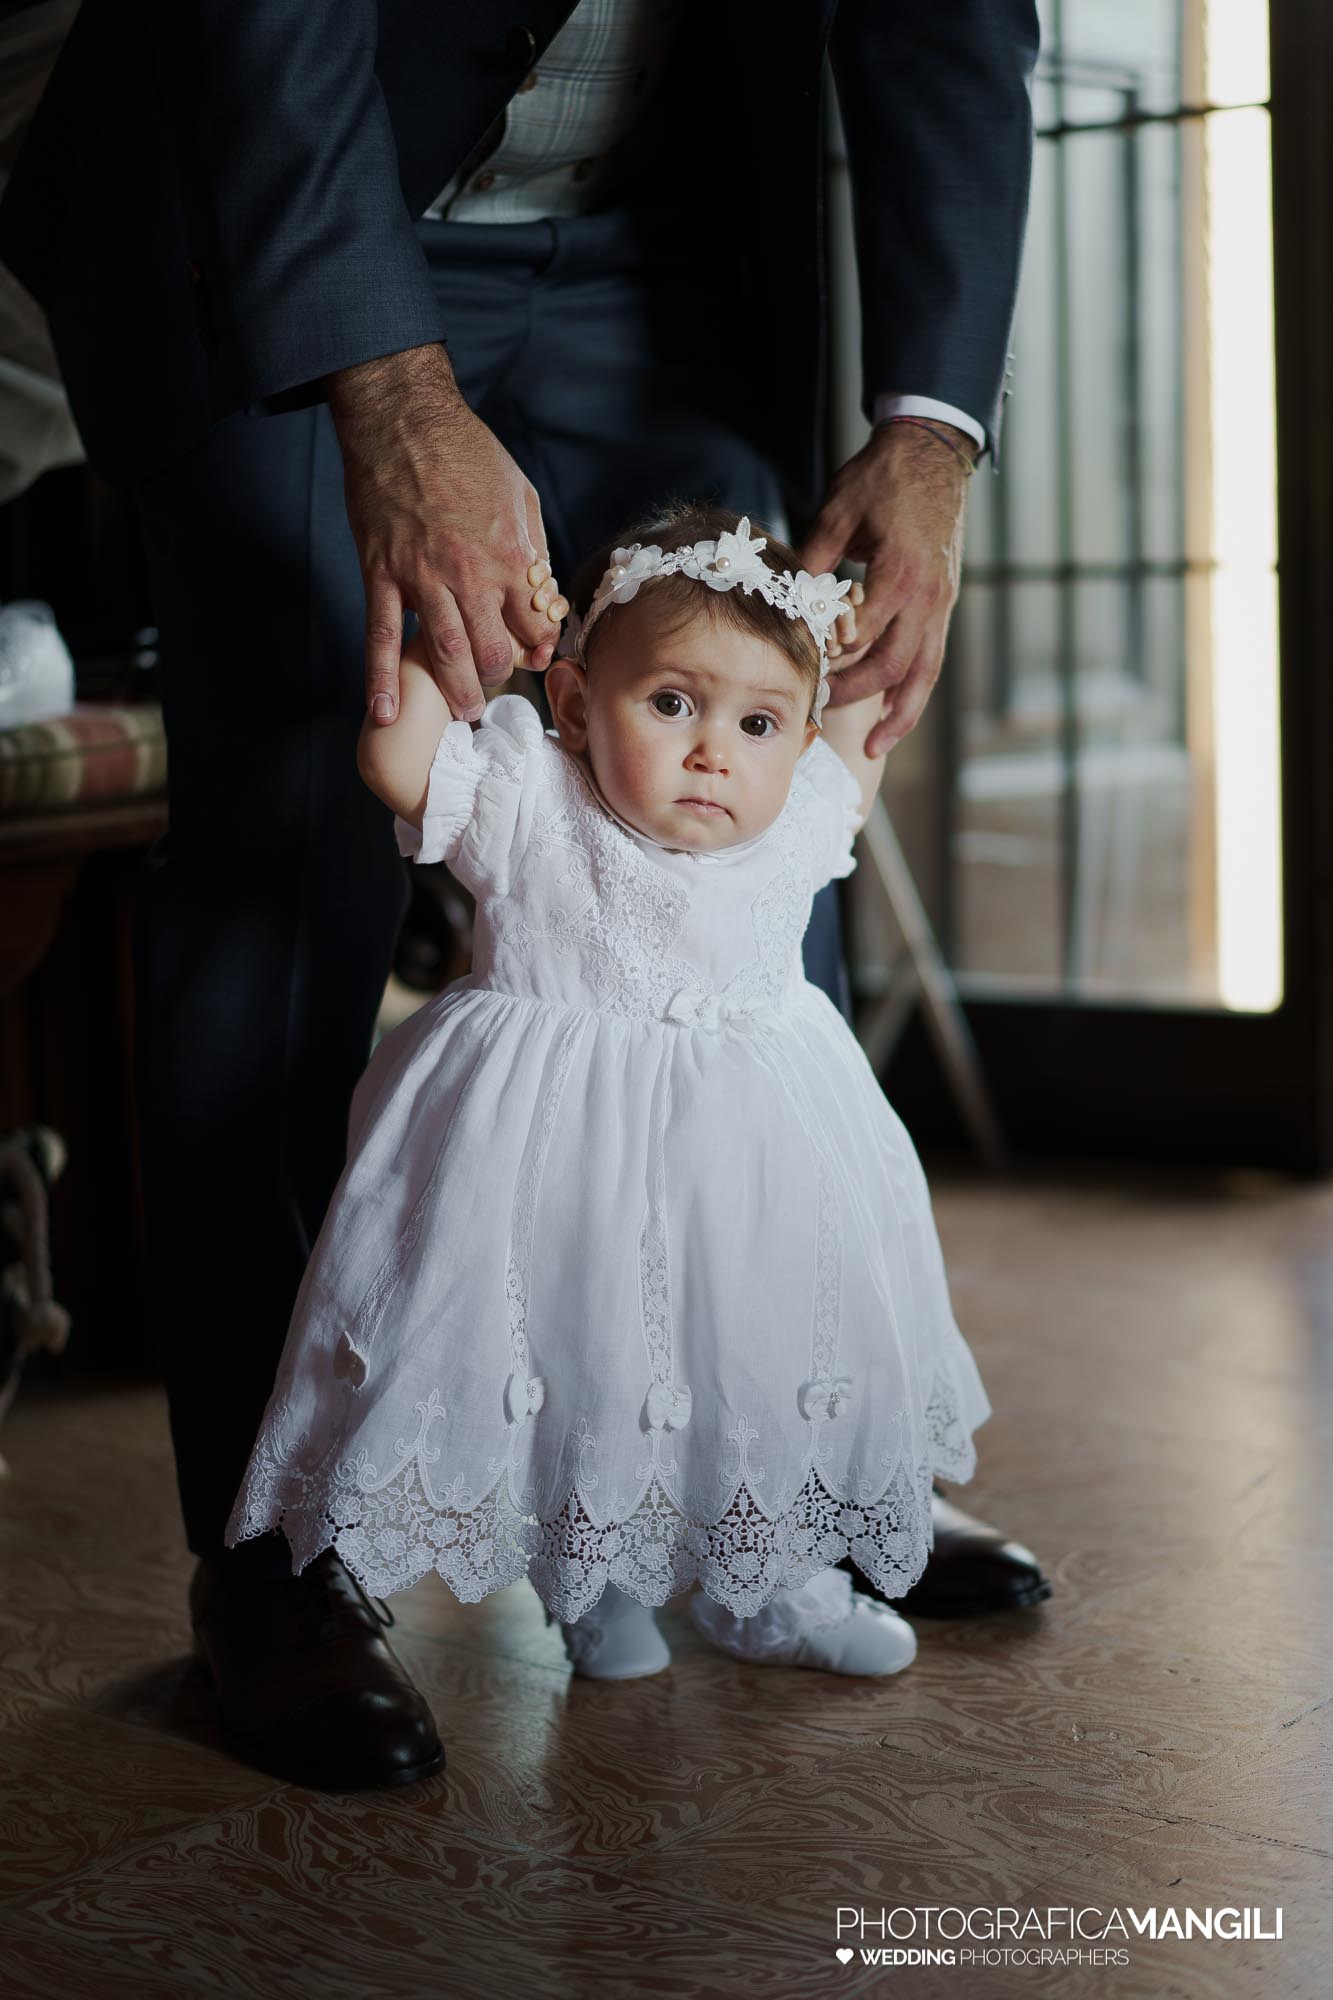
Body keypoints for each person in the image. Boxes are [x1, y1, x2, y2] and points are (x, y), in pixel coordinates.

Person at [0, 0, 1050, 1790]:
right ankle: (278, 1550)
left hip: (679, 223)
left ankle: (763, 1496)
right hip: (286, 205)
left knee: (716, 830)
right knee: (292, 816)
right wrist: (384, 383)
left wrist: (934, 423)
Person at [226, 505, 993, 1714]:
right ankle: (596, 1591)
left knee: (758, 1348)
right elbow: (397, 763)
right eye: (670, 704)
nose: (712, 753)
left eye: (754, 723)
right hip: (559, 1162)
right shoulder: (535, 795)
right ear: (578, 702)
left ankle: (772, 1582)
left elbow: (853, 730)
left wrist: (855, 620)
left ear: (793, 739)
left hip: (753, 1171)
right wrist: (455, 645)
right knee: (586, 1350)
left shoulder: (792, 818)